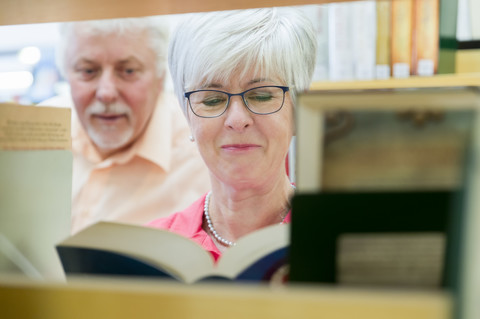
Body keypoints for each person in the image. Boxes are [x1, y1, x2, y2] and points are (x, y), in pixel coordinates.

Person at [148, 8, 316, 261]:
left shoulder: (339, 239)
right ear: (188, 116)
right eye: (213, 100)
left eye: (261, 95)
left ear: (297, 110)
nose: (237, 120)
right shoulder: (152, 248)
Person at [40, 17, 210, 234]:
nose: (106, 93)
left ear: (161, 78)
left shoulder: (203, 157)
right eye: (88, 71)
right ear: (66, 75)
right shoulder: (33, 135)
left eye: (128, 71)